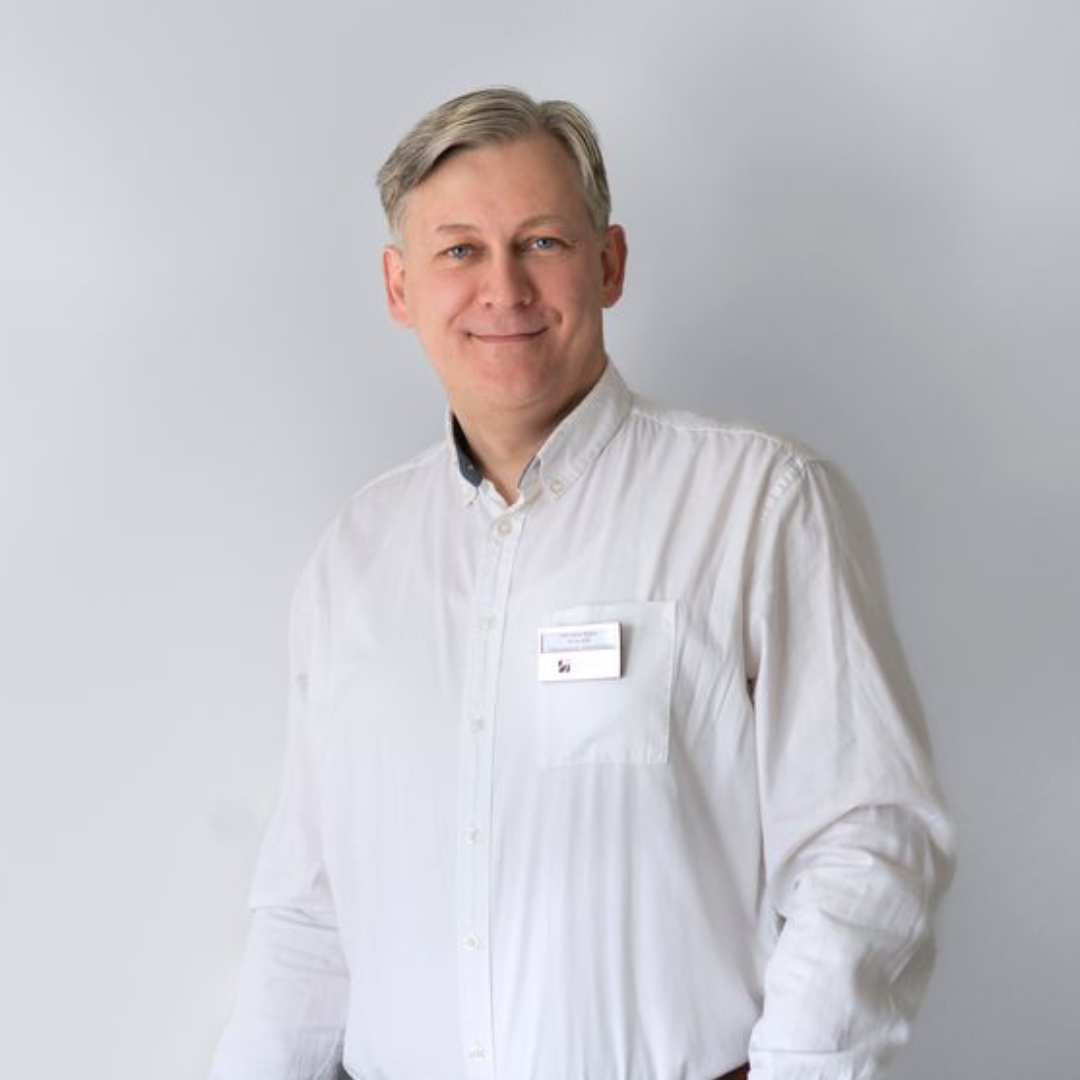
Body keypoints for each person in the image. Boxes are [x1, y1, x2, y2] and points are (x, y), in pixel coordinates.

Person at [209, 87, 954, 1080]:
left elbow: (865, 846)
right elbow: (309, 915)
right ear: (399, 287)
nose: (504, 288)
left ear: (609, 264)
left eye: (543, 242)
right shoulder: (355, 557)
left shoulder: (759, 505)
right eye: (459, 250)